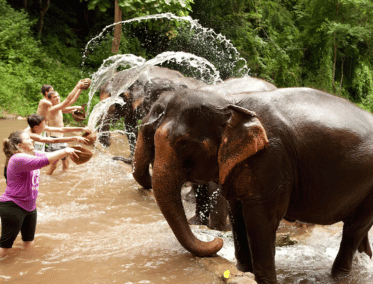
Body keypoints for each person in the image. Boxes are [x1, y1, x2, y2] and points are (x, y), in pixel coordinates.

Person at [0, 130, 80, 258]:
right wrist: (66, 151)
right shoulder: (18, 158)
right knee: (5, 248)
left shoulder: (32, 153)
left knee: (28, 243)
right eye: (28, 139)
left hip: (30, 206)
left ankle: (26, 268)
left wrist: (68, 151)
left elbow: (50, 155)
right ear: (20, 145)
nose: (32, 140)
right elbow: (43, 161)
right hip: (13, 206)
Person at [40, 90, 90, 175]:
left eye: (58, 96)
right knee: (53, 165)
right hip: (54, 140)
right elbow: (68, 100)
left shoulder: (59, 109)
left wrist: (78, 105)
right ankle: (46, 179)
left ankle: (62, 180)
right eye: (55, 97)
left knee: (66, 164)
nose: (58, 98)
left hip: (61, 139)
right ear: (50, 100)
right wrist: (78, 87)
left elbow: (71, 102)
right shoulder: (52, 109)